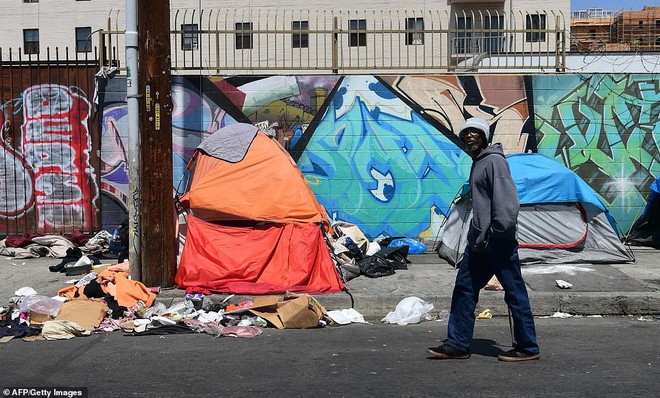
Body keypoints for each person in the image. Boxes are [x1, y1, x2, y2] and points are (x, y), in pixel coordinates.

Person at [427, 117, 540, 362]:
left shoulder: (494, 162)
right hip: (478, 243)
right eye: (466, 133)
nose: (469, 137)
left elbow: (508, 203)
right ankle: (457, 344)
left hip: (497, 242)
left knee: (514, 292)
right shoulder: (478, 162)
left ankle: (528, 347)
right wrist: (478, 236)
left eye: (475, 133)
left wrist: (497, 233)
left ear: (484, 137)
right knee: (464, 289)